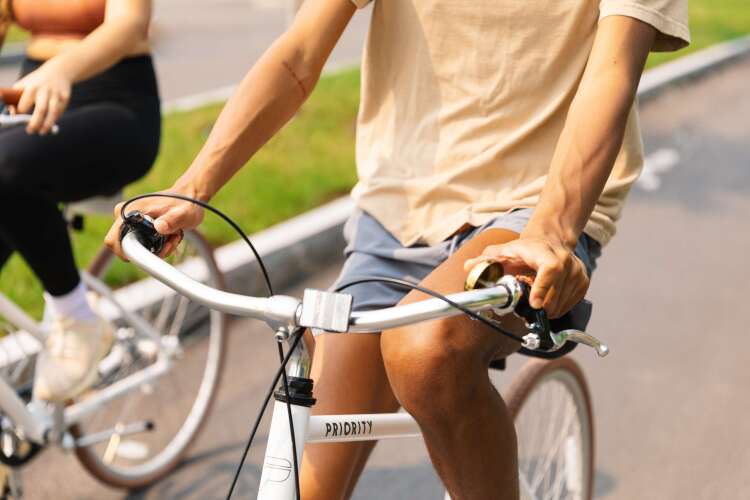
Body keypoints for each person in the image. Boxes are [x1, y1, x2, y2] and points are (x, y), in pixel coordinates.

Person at [106, 0, 689, 497]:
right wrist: (193, 189)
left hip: (531, 210)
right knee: (309, 483)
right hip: (398, 213)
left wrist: (553, 231)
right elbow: (300, 54)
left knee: (424, 351)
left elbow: (613, 72)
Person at [0, 0, 159, 403]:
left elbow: (129, 24)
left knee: (6, 167)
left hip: (116, 105)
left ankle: (77, 317)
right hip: (31, 101)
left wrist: (60, 70)